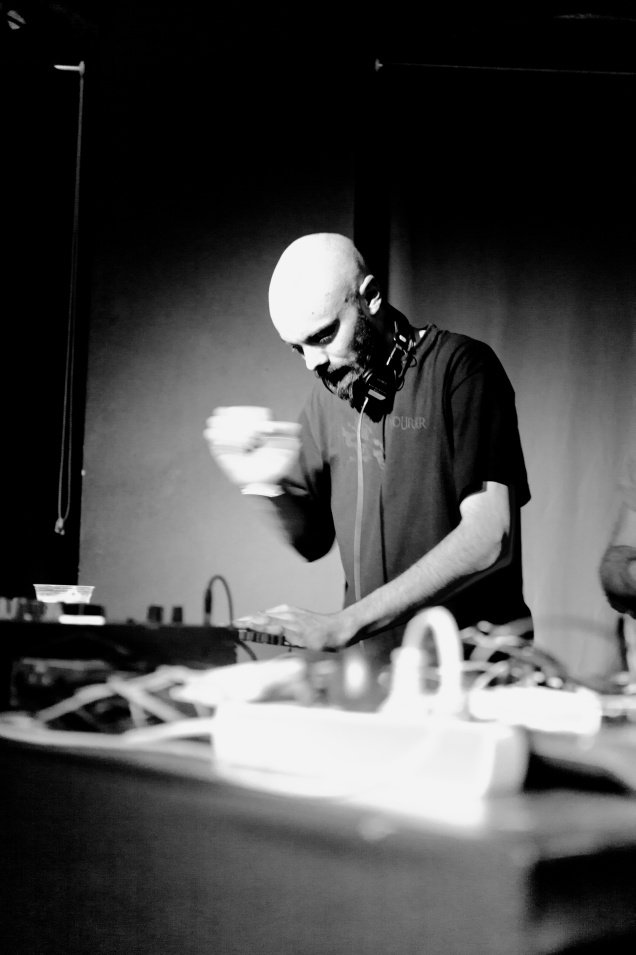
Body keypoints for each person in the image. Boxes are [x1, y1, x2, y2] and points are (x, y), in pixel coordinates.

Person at [205, 233, 531, 663]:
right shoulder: (326, 400)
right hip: (374, 673)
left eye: (324, 335)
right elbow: (311, 542)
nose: (313, 362)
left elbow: (488, 537)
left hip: (470, 668)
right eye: (297, 348)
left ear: (371, 297)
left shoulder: (462, 368)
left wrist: (343, 624)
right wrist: (265, 485)